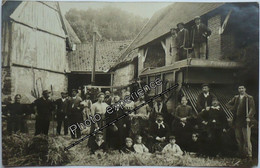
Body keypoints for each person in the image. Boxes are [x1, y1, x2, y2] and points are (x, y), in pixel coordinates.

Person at [226, 85, 255, 159]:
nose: (241, 89)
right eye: (239, 88)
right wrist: (233, 109)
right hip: (237, 120)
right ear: (238, 90)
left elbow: (252, 108)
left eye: (242, 88)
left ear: (245, 89)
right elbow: (228, 104)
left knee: (247, 139)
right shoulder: (236, 98)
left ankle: (249, 155)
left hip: (246, 120)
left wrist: (249, 117)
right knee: (238, 138)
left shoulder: (249, 97)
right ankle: (241, 154)